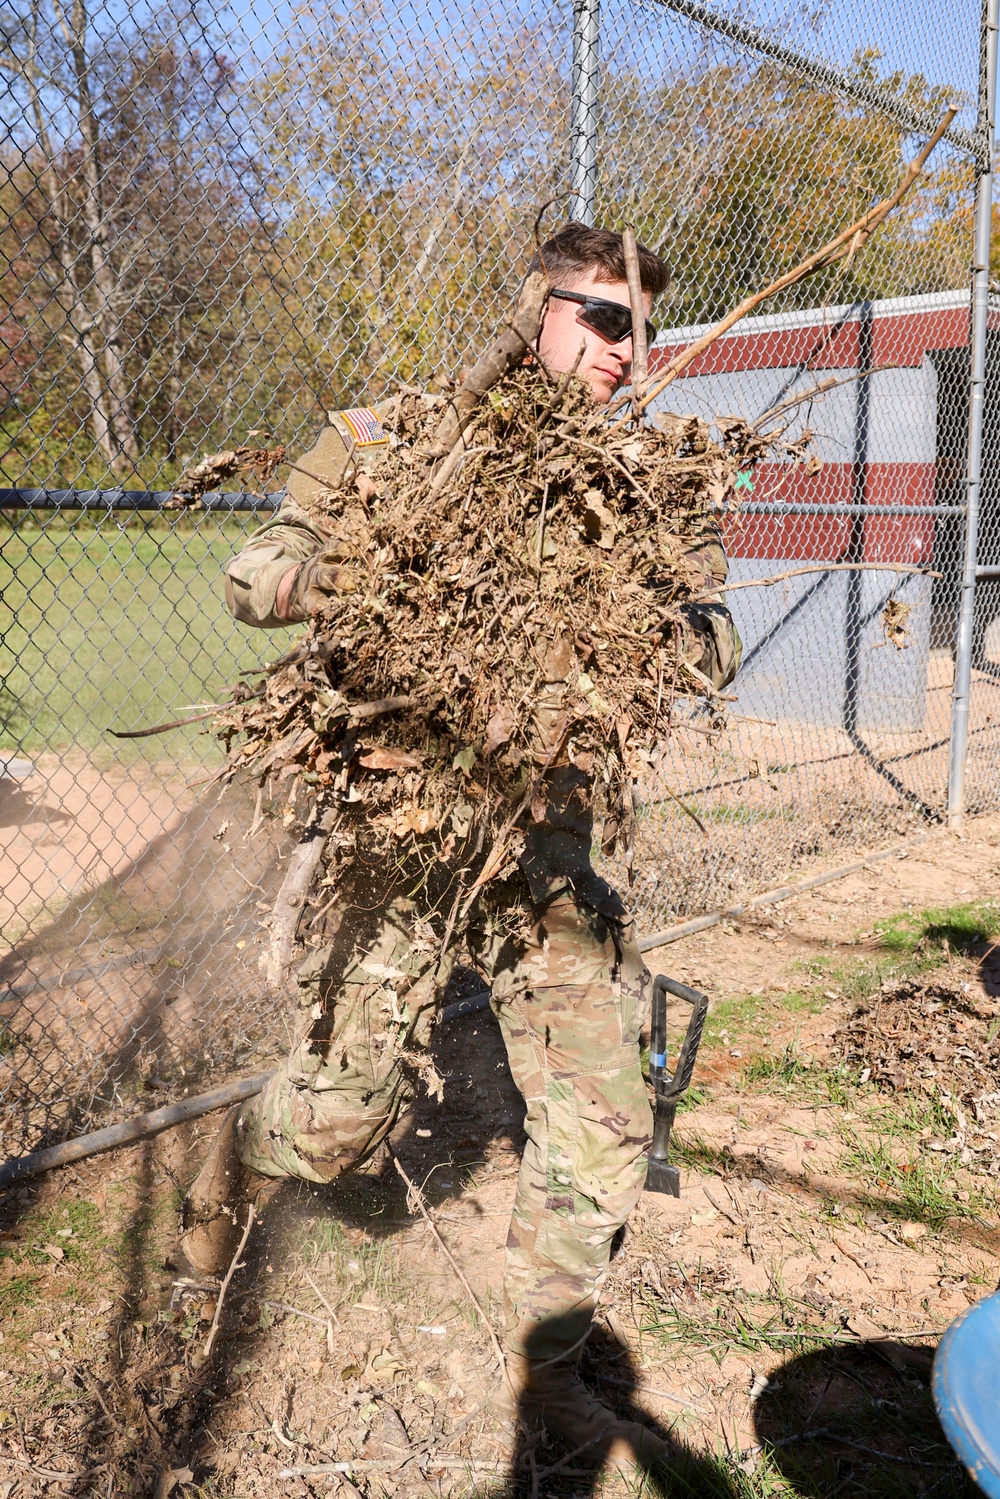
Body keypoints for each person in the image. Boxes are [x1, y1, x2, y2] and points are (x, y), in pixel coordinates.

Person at [181, 222, 741, 1473]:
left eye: (638, 329)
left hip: (544, 844)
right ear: (534, 311)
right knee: (336, 1124)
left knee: (600, 1108)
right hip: (404, 825)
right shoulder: (400, 441)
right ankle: (238, 1153)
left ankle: (545, 1376)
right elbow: (253, 572)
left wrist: (652, 640)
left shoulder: (641, 485)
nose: (621, 351)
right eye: (600, 319)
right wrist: (388, 577)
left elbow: (714, 629)